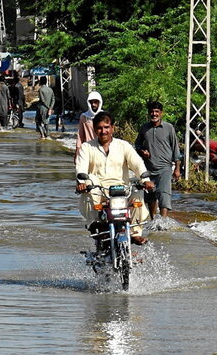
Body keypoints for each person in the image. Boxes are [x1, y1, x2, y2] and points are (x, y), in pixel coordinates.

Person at [76, 111, 154, 245]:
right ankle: (96, 225)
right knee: (90, 181)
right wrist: (82, 183)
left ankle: (135, 233)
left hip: (121, 191)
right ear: (94, 129)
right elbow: (81, 167)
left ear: (113, 128)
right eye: (99, 128)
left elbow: (137, 163)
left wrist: (145, 180)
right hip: (98, 191)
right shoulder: (86, 147)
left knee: (138, 192)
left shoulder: (123, 146)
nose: (103, 131)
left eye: (106, 127)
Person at [134, 101, 182, 218]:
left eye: (156, 112)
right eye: (151, 111)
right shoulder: (144, 128)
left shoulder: (169, 128)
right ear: (148, 113)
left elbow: (176, 148)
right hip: (148, 168)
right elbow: (137, 145)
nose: (154, 114)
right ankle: (153, 220)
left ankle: (163, 221)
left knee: (163, 194)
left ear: (161, 113)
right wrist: (142, 151)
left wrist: (177, 169)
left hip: (165, 168)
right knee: (150, 196)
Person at [75, 91, 104, 161]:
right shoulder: (84, 117)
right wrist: (77, 152)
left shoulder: (104, 116)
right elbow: (80, 136)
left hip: (101, 149)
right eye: (91, 102)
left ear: (99, 103)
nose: (93, 104)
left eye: (96, 102)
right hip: (88, 149)